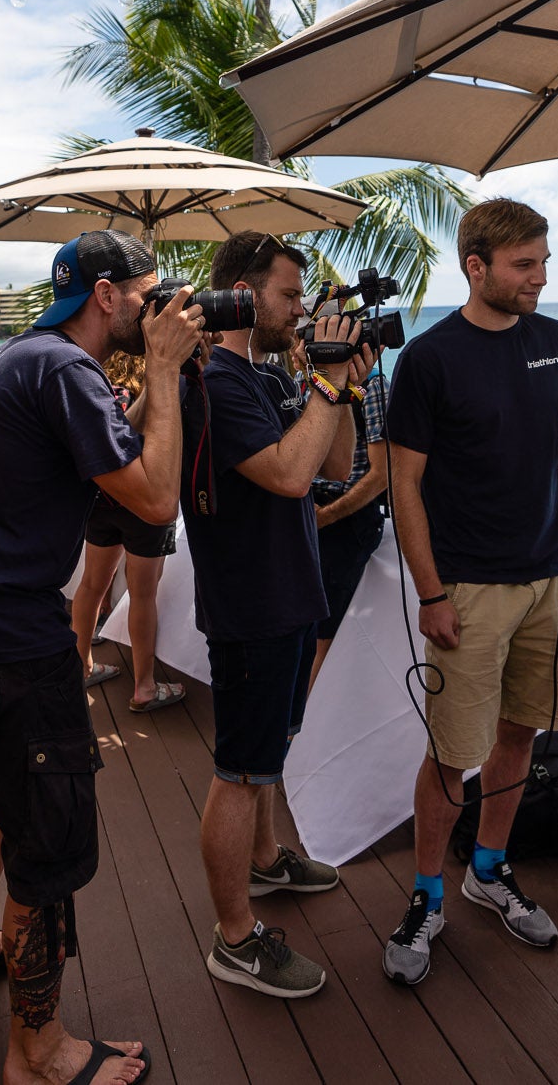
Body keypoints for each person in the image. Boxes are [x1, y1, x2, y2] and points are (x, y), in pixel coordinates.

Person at [0, 230, 203, 1085]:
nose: (157, 311)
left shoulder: (26, 356)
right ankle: (38, 1054)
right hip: (6, 643)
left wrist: (152, 374)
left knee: (6, 801)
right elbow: (150, 497)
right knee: (47, 844)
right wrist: (173, 370)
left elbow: (122, 454)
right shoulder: (68, 371)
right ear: (107, 296)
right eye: (148, 297)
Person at [380, 198, 558, 986]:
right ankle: (428, 896)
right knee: (451, 755)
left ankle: (487, 871)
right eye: (524, 264)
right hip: (468, 586)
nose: (540, 277)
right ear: (477, 267)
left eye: (544, 261)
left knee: (523, 735)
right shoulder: (428, 360)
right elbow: (405, 486)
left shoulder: (557, 342)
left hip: (552, 577)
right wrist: (430, 594)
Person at [179, 230, 371, 1000]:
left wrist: (344, 387)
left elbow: (331, 465)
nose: (301, 311)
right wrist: (323, 384)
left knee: (269, 750)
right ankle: (234, 939)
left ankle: (264, 863)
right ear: (244, 292)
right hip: (253, 603)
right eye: (290, 297)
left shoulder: (263, 375)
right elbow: (291, 478)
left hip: (290, 592)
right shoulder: (218, 382)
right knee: (239, 768)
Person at [68, 351, 184, 710]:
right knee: (143, 595)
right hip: (145, 500)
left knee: (91, 584)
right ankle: (144, 687)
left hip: (103, 498)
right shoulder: (161, 384)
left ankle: (81, 665)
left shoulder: (100, 384)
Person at [310, 357, 390, 684]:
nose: (299, 346)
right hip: (316, 510)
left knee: (321, 628)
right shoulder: (313, 383)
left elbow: (382, 474)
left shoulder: (372, 388)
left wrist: (326, 517)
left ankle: (297, 724)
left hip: (346, 517)